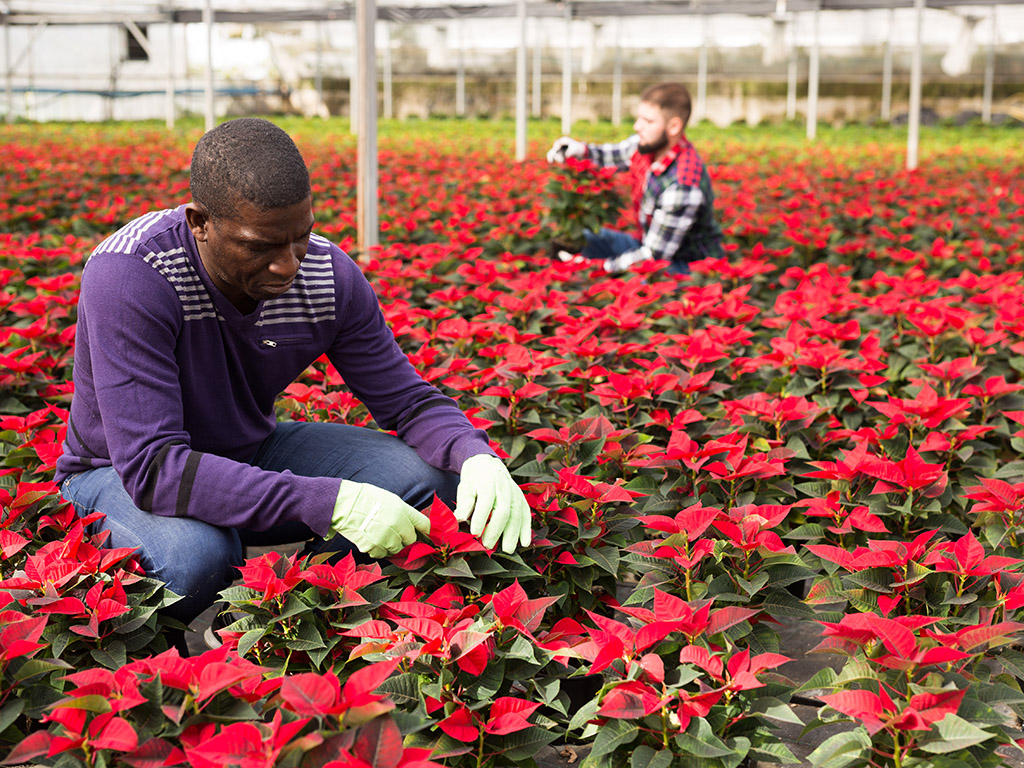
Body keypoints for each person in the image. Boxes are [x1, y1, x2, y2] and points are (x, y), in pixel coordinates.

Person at [55, 117, 531, 641]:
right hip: (115, 472)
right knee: (196, 558)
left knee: (430, 479)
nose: (287, 266)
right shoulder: (133, 274)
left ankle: (268, 621)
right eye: (259, 246)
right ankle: (176, 650)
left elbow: (407, 400)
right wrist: (335, 503)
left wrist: (476, 456)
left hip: (247, 451)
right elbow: (153, 469)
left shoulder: (327, 276)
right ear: (199, 223)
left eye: (299, 237)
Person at [546, 82, 724, 276]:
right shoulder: (648, 146)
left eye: (648, 121)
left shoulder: (682, 185)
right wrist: (578, 150)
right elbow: (612, 155)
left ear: (674, 126)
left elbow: (654, 257)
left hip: (686, 265)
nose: (637, 126)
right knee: (583, 239)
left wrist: (598, 267)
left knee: (638, 281)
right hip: (648, 245)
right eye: (639, 118)